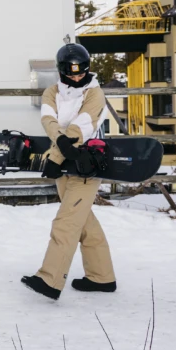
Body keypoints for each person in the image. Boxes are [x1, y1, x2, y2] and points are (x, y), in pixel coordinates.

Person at [21, 43, 117, 301]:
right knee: (82, 220)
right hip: (63, 161)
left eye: (81, 73)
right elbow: (48, 120)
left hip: (86, 163)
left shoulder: (94, 94)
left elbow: (82, 126)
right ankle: (101, 277)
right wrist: (60, 144)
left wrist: (57, 151)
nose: (76, 77)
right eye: (71, 73)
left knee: (66, 222)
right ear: (62, 71)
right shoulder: (51, 92)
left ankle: (50, 280)